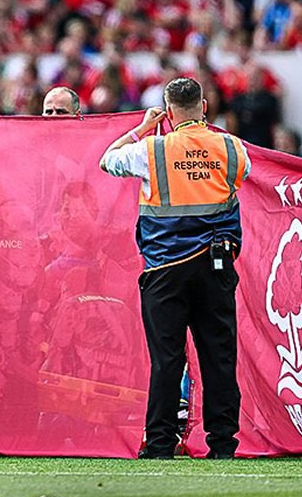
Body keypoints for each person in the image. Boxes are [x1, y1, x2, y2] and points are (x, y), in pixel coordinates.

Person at [99, 77, 249, 459]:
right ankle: (222, 445)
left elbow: (107, 160)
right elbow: (241, 177)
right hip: (215, 266)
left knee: (167, 359)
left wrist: (144, 127)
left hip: (165, 268)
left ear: (168, 113)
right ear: (204, 107)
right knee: (219, 356)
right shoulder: (231, 147)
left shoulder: (151, 149)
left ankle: (162, 443)